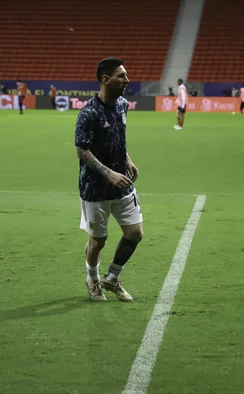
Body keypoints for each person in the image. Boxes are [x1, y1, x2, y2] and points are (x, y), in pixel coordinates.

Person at [75, 57, 143, 302]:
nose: (127, 79)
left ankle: (112, 278)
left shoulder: (123, 104)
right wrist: (108, 173)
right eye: (121, 76)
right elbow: (82, 151)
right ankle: (92, 279)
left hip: (122, 184)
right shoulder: (89, 113)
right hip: (95, 189)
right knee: (98, 240)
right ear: (106, 79)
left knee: (135, 233)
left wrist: (127, 160)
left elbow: (116, 138)